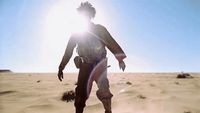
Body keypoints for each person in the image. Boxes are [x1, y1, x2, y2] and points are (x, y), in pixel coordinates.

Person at [57, 2, 126, 113]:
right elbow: (68, 51)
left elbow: (111, 43)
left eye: (87, 14)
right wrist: (61, 67)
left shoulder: (100, 29)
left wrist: (120, 59)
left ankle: (108, 111)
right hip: (85, 66)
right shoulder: (76, 33)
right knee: (80, 94)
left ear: (90, 15)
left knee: (105, 92)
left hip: (100, 65)